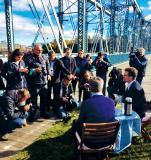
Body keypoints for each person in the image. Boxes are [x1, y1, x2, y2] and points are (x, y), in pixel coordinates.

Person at [24, 43, 51, 120]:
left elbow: (48, 65)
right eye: (38, 50)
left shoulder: (44, 56)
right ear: (33, 50)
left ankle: (43, 113)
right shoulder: (28, 58)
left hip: (44, 81)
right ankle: (32, 115)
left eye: (41, 50)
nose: (40, 51)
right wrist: (34, 70)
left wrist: (49, 74)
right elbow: (26, 71)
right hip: (34, 83)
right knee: (33, 100)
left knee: (44, 99)